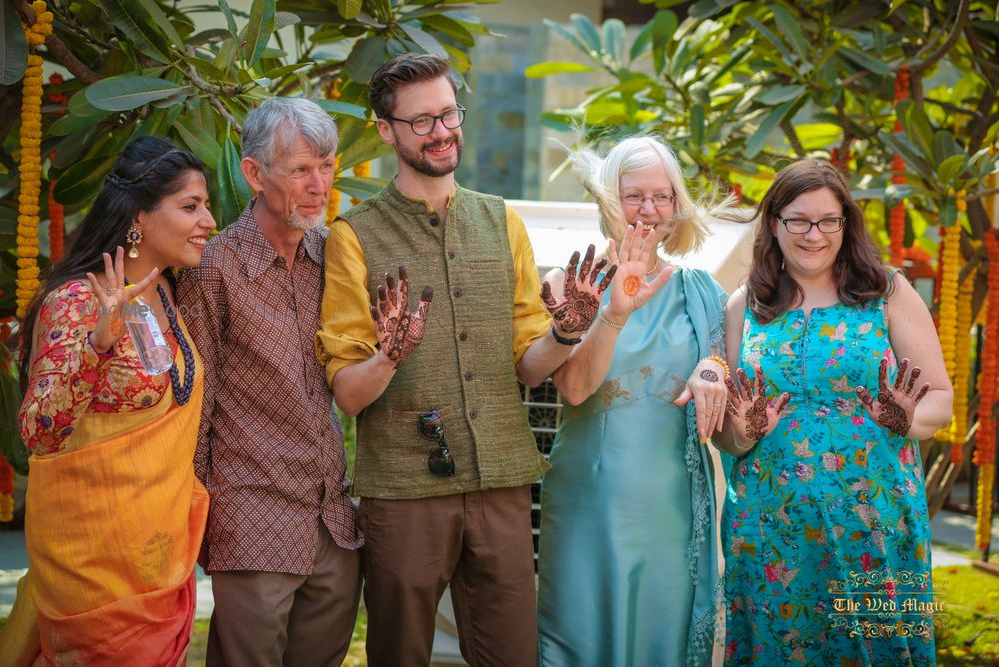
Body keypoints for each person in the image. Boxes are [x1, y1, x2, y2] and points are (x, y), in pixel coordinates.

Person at [315, 53, 612, 667]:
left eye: (448, 113)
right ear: (385, 129)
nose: (441, 131)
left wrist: (567, 332)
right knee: (400, 654)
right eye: (420, 121)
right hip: (402, 490)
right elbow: (347, 392)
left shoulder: (502, 221)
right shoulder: (354, 235)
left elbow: (529, 368)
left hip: (503, 480)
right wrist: (391, 354)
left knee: (511, 654)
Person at [717, 159, 952, 664]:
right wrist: (744, 433)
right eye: (798, 220)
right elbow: (726, 432)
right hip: (769, 525)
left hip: (873, 519)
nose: (813, 234)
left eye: (828, 220)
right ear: (774, 223)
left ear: (846, 224)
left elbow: (941, 400)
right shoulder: (746, 305)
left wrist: (906, 419)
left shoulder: (886, 292)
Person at [0, 136, 215, 666]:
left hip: (160, 563)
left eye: (206, 205)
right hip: (92, 571)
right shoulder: (77, 301)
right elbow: (38, 432)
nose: (209, 220)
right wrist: (97, 343)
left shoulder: (166, 293)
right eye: (191, 207)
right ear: (138, 218)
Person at [536, 136, 735, 666]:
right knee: (582, 637)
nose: (649, 209)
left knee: (659, 641)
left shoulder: (701, 289)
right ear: (607, 198)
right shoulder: (569, 282)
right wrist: (613, 311)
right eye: (633, 196)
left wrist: (713, 368)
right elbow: (575, 389)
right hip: (589, 499)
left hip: (671, 503)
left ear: (677, 205)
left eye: (662, 196)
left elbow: (724, 369)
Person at [177, 97, 362, 666]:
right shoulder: (213, 268)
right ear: (254, 174)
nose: (319, 185)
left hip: (334, 522)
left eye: (326, 167)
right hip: (250, 523)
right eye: (301, 169)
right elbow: (193, 408)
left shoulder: (332, 255)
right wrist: (200, 519)